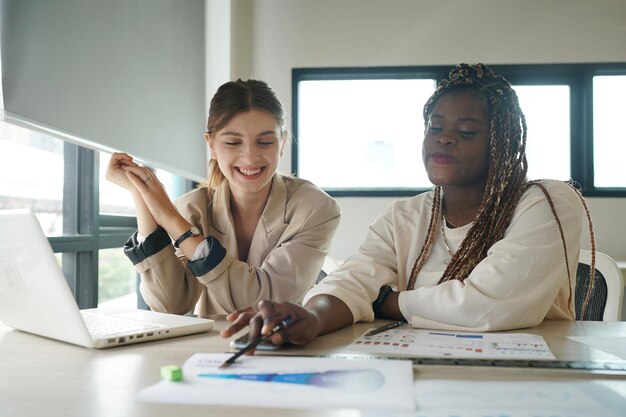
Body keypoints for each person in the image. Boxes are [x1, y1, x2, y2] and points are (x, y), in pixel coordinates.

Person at [222, 63, 595, 346]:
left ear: (504, 144)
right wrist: (312, 317)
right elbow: (354, 282)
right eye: (435, 128)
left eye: (466, 132)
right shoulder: (406, 216)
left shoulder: (547, 202)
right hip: (423, 372)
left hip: (534, 377)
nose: (445, 139)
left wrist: (389, 302)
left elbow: (490, 304)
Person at [106, 79, 341, 315]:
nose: (250, 157)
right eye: (233, 142)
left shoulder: (315, 208)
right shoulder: (192, 208)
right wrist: (141, 194)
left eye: (265, 142)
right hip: (209, 347)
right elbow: (170, 303)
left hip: (285, 346)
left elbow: (263, 304)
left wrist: (172, 220)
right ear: (212, 145)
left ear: (282, 143)